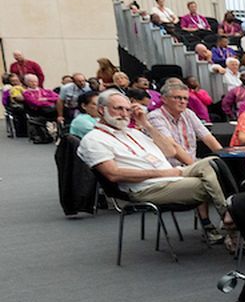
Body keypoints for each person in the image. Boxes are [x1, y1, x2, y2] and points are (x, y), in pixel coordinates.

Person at [77, 90, 230, 243]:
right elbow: (113, 174)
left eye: (127, 109)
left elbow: (170, 151)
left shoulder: (133, 132)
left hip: (172, 175)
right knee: (210, 184)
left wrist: (146, 124)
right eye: (118, 108)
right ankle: (233, 226)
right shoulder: (93, 139)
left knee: (213, 162)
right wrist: (161, 174)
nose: (124, 114)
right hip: (147, 187)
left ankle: (230, 221)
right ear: (101, 110)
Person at [143, 78, 223, 166]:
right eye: (177, 98)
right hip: (169, 167)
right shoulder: (155, 117)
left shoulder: (188, 113)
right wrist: (194, 167)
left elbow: (208, 138)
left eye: (185, 98)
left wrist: (224, 158)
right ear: (164, 99)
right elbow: (173, 147)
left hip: (191, 164)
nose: (182, 102)